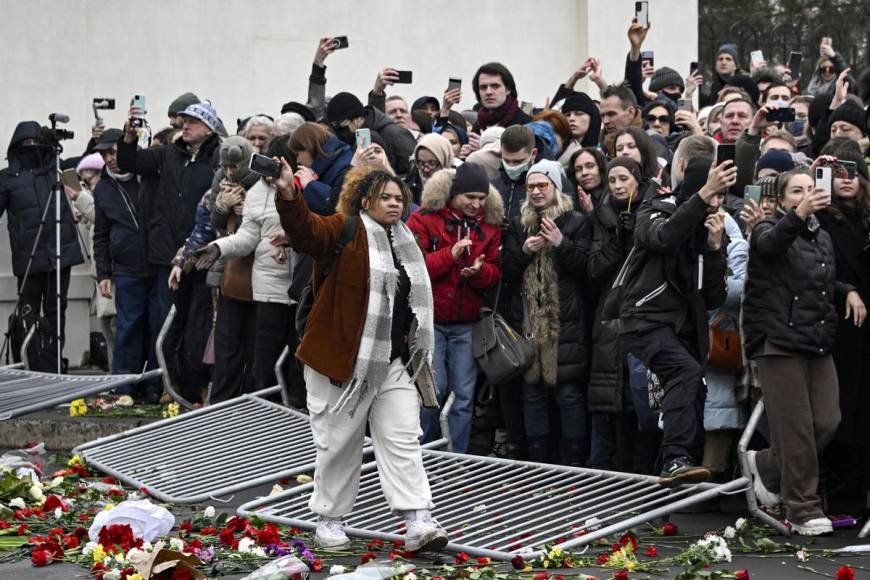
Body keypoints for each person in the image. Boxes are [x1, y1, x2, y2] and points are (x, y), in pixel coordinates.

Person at [275, 163, 448, 553]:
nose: (394, 204)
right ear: (364, 199)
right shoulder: (343, 229)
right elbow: (305, 229)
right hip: (339, 362)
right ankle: (330, 518)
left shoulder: (406, 242)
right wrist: (289, 194)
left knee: (403, 437)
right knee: (339, 444)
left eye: (400, 198)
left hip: (395, 361)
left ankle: (417, 519)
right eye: (385, 197)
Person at [743, 168, 865, 536]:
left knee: (827, 420)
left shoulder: (822, 236)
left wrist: (847, 291)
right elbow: (771, 247)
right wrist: (797, 216)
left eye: (811, 189)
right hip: (777, 342)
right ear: (782, 199)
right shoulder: (766, 228)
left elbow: (820, 279)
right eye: (797, 190)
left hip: (816, 340)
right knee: (795, 431)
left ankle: (765, 465)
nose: (806, 195)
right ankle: (802, 509)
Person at [619, 156, 734, 485]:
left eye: (721, 195)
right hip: (644, 318)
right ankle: (674, 460)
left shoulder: (711, 227)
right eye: (712, 191)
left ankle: (664, 485)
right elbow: (662, 237)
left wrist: (714, 250)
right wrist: (701, 198)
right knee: (684, 371)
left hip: (683, 329)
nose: (716, 201)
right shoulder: (657, 207)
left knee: (692, 388)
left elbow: (713, 297)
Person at [118, 100, 221, 400]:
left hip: (202, 253)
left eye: (193, 122)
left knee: (198, 323)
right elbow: (130, 163)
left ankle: (195, 384)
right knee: (168, 321)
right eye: (184, 121)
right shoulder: (167, 154)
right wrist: (128, 138)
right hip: (166, 255)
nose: (185, 126)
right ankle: (167, 382)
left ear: (209, 128)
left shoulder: (217, 157)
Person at [407, 163, 502, 453]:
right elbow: (414, 268)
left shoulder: (490, 227)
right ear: (453, 194)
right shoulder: (423, 219)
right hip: (429, 321)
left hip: (466, 323)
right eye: (469, 197)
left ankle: (455, 458)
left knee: (463, 394)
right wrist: (450, 255)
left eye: (481, 198)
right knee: (433, 391)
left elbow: (496, 274)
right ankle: (423, 453)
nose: (476, 204)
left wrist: (480, 273)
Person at [500, 160, 591, 464]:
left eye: (543, 185)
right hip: (527, 321)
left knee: (568, 393)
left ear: (555, 187)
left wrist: (560, 244)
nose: (537, 192)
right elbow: (507, 273)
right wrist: (524, 251)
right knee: (532, 394)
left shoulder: (575, 221)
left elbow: (586, 269)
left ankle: (574, 465)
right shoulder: (518, 224)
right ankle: (538, 462)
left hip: (565, 321)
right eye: (531, 186)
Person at [588, 157, 658, 472]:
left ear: (637, 180)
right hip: (609, 313)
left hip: (643, 310)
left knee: (641, 396)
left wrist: (635, 234)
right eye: (612, 180)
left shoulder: (653, 211)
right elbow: (594, 269)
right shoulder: (602, 217)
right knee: (611, 396)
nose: (617, 186)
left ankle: (644, 468)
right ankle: (612, 467)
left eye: (623, 179)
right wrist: (617, 239)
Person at [813, 140, 870, 515]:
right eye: (838, 171)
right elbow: (812, 268)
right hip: (837, 327)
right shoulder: (821, 219)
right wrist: (846, 290)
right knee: (840, 409)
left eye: (853, 170)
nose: (846, 179)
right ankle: (840, 490)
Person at [0, 121, 85, 369]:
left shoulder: (58, 170)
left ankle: (53, 362)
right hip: (29, 257)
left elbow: (88, 166)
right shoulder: (7, 178)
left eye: (37, 142)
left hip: (61, 253)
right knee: (28, 312)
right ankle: (29, 362)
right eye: (27, 143)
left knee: (56, 310)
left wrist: (93, 140)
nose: (33, 147)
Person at [324, 91, 416, 177]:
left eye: (342, 125)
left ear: (357, 119)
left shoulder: (395, 134)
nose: (340, 131)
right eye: (335, 126)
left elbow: (414, 173)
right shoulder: (350, 138)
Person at [288, 122, 353, 215]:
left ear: (308, 147)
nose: (297, 161)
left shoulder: (344, 165)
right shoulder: (330, 163)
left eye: (297, 154)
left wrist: (310, 185)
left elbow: (337, 206)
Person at [491, 125, 538, 223]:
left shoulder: (547, 186)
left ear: (533, 154)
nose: (511, 167)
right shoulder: (492, 186)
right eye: (506, 160)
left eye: (518, 161)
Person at [472, 62, 532, 131]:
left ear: (508, 89)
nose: (488, 92)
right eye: (483, 87)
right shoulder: (478, 125)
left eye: (495, 86)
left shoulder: (527, 125)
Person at [405, 134, 454, 204]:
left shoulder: (457, 185)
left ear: (444, 160)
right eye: (421, 163)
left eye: (432, 163)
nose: (425, 169)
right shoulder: (409, 184)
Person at [600, 85, 639, 156]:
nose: (605, 121)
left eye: (611, 114)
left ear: (631, 112)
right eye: (602, 116)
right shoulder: (600, 144)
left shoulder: (651, 140)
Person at [568, 147, 609, 212]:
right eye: (578, 169)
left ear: (601, 169)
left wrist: (590, 212)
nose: (584, 173)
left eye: (590, 166)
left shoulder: (614, 197)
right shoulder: (569, 204)